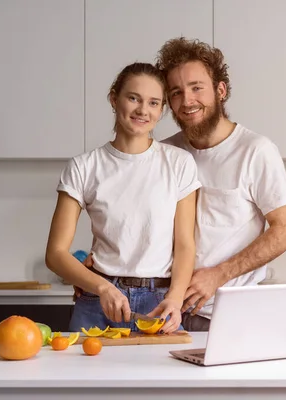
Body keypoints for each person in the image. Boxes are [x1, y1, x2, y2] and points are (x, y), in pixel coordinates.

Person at [154, 37, 286, 331]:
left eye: (197, 88)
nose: (188, 100)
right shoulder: (163, 153)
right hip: (165, 312)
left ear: (220, 90)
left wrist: (220, 273)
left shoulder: (255, 151)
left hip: (230, 316)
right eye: (177, 92)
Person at [45, 62, 200, 334]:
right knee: (86, 377)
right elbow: (56, 253)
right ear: (113, 98)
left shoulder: (179, 163)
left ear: (162, 109)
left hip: (158, 304)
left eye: (154, 103)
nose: (143, 110)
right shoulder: (84, 166)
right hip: (98, 299)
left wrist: (175, 299)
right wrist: (101, 286)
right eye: (133, 98)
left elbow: (185, 245)